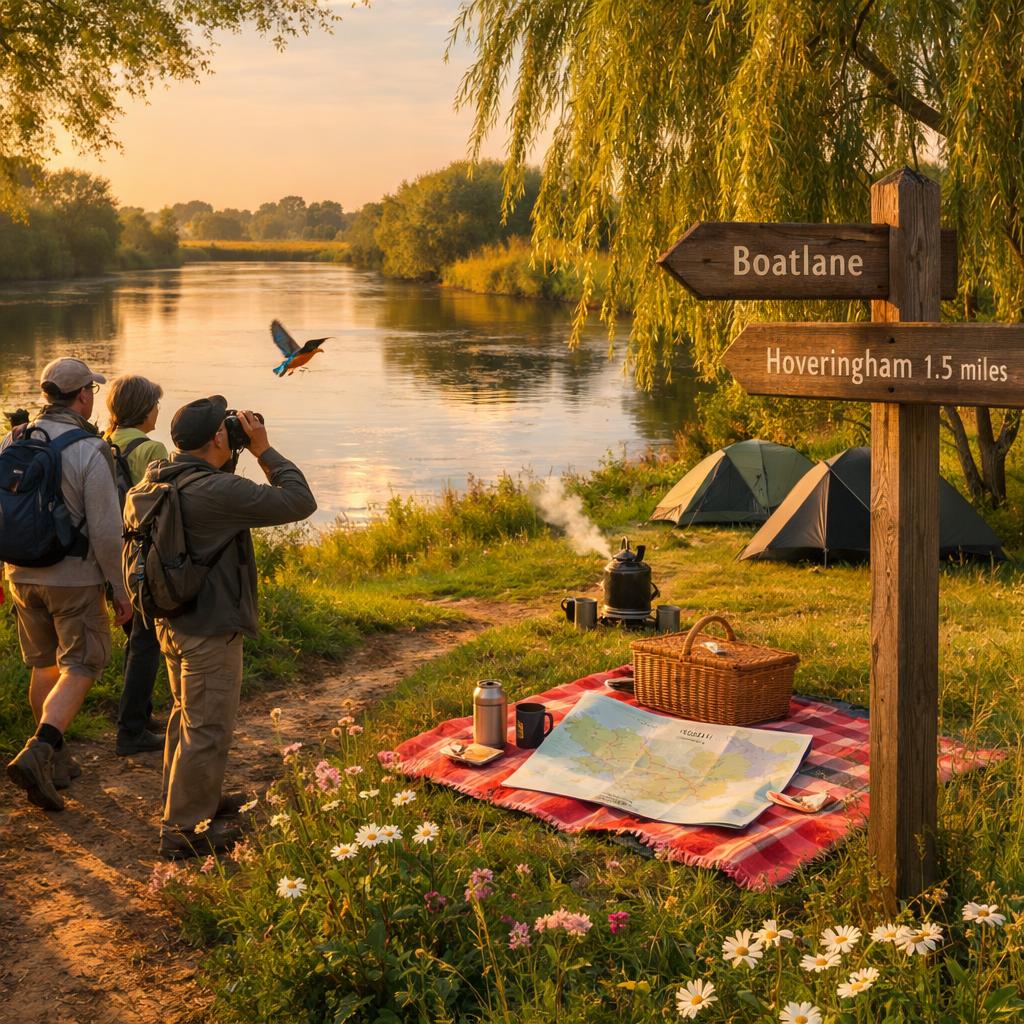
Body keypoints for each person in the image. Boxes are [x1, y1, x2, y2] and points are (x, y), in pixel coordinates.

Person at [152, 396, 316, 858]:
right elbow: (300, 501)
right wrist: (263, 449)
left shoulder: (164, 475)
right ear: (218, 438)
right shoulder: (215, 491)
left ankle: (192, 802)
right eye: (228, 429)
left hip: (173, 620)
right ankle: (184, 831)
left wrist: (231, 452)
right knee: (207, 728)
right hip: (208, 628)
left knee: (187, 718)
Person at [3, 358, 133, 812]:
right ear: (82, 397)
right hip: (73, 577)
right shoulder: (89, 448)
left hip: (20, 574)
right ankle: (39, 751)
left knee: (44, 665)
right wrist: (119, 587)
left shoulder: (13, 440)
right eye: (91, 392)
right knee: (82, 663)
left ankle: (53, 761)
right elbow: (104, 529)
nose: (93, 398)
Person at [105, 374, 168, 756]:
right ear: (145, 409)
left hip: (109, 552)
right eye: (156, 403)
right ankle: (131, 730)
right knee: (146, 641)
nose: (158, 409)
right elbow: (164, 507)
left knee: (136, 638)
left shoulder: (102, 443)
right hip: (142, 555)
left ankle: (140, 715)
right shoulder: (152, 448)